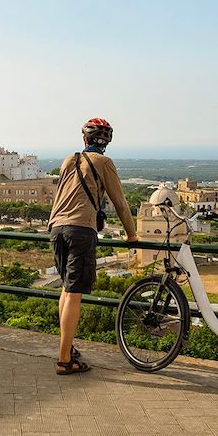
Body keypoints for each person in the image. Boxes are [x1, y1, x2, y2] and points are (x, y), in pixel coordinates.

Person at [48, 117, 138, 374]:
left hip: (57, 228)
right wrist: (132, 236)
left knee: (66, 289)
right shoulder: (104, 162)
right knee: (74, 293)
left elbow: (60, 195)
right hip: (80, 229)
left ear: (84, 138)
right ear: (106, 141)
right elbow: (119, 201)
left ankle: (67, 346)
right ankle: (65, 360)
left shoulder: (68, 160)